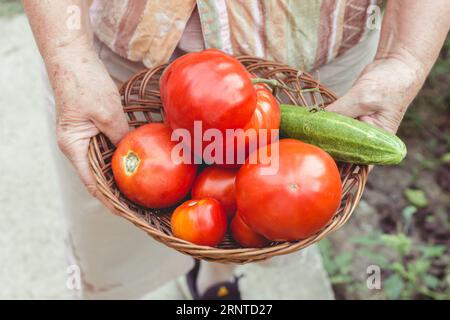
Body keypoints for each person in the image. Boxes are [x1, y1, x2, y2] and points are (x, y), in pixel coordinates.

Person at [24, 0, 450, 299]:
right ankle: (108, 292)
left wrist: (403, 59)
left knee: (236, 231)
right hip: (119, 44)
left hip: (315, 54)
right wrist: (68, 52)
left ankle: (217, 278)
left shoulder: (265, 118)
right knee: (108, 236)